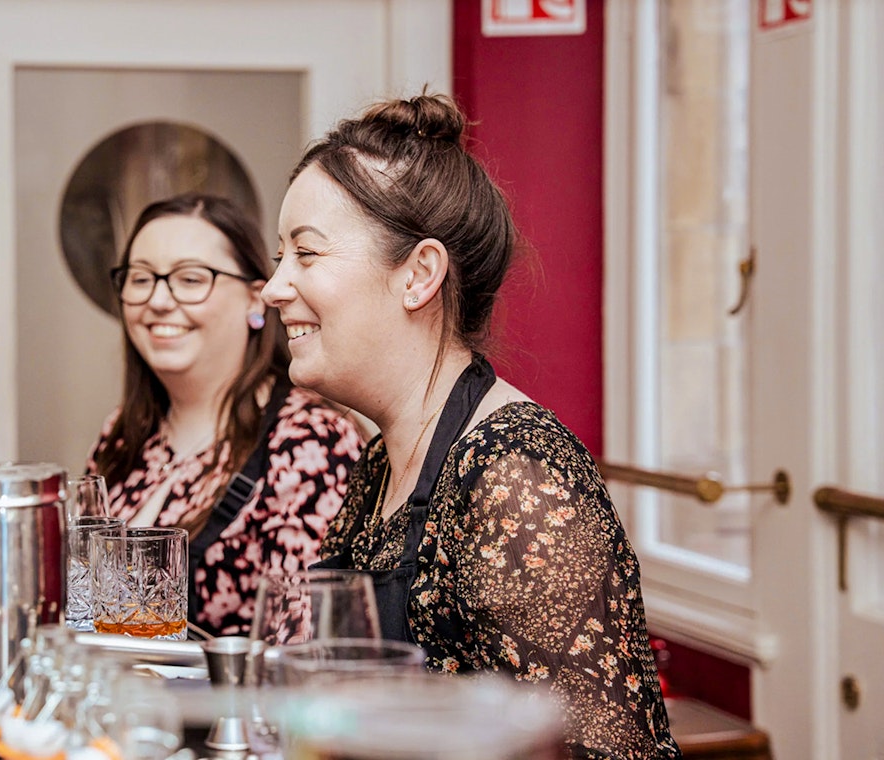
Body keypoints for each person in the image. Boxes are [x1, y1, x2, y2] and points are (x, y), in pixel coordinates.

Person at [261, 95, 680, 759]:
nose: (274, 286)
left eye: (306, 255)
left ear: (419, 274)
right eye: (278, 256)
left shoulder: (517, 473)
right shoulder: (382, 464)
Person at [88, 193, 364, 638]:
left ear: (257, 300)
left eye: (191, 279)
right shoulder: (123, 433)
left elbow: (305, 649)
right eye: (141, 280)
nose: (158, 300)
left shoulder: (309, 441)